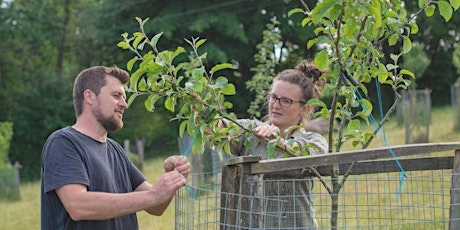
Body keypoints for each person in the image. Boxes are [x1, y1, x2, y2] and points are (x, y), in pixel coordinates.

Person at [40, 66, 190, 230]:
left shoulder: (115, 150)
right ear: (89, 96)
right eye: (116, 96)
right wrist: (154, 195)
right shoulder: (63, 142)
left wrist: (170, 179)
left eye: (124, 98)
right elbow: (78, 205)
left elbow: (156, 207)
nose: (124, 104)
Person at [224, 59, 328, 229]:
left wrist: (278, 141)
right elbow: (220, 129)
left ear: (306, 108)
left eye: (286, 101)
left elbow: (305, 154)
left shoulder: (312, 141)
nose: (275, 105)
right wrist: (204, 114)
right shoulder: (251, 132)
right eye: (273, 97)